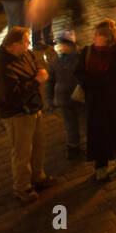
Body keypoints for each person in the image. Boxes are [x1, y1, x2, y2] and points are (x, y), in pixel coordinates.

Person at [0, 26, 53, 204]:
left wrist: (40, 70)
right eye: (25, 41)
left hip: (33, 108)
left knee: (39, 145)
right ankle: (22, 187)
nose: (29, 44)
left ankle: (37, 177)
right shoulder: (1, 69)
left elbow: (34, 61)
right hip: (17, 115)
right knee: (22, 152)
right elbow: (12, 97)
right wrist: (36, 81)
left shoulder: (23, 54)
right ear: (13, 45)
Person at [76, 19, 116, 182]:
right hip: (95, 101)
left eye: (98, 35)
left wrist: (112, 84)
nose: (94, 37)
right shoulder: (87, 51)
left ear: (108, 37)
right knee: (98, 132)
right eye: (94, 34)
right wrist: (90, 83)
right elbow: (79, 73)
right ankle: (101, 165)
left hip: (114, 99)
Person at [44, 29, 83, 159]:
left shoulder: (81, 60)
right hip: (64, 100)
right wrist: (49, 100)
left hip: (80, 99)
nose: (60, 47)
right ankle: (73, 147)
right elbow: (50, 81)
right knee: (70, 124)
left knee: (84, 122)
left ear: (71, 45)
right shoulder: (57, 62)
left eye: (63, 44)